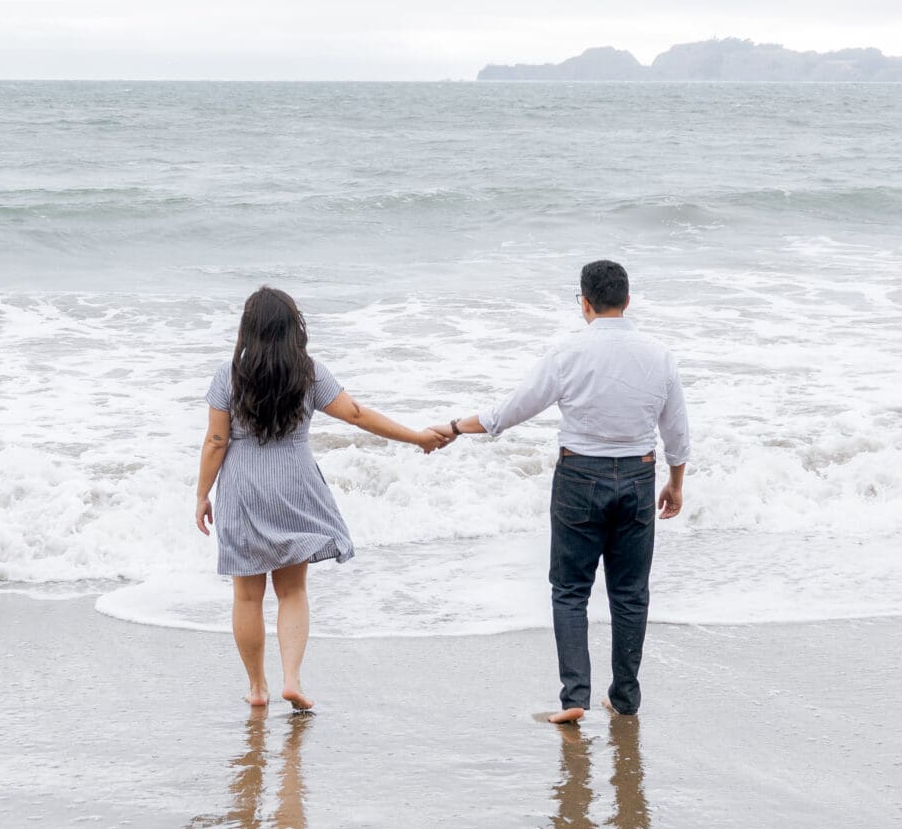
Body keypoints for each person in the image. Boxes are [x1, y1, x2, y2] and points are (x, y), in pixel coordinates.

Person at [436, 258, 688, 725]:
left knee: (570, 589)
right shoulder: (659, 355)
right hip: (637, 477)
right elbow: (677, 431)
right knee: (630, 593)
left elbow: (511, 410)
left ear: (585, 304)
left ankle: (575, 697)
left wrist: (454, 426)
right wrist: (675, 483)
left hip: (579, 479)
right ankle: (626, 698)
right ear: (628, 301)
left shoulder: (567, 354)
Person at [197, 285, 447, 711]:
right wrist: (416, 437)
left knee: (247, 596)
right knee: (292, 592)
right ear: (293, 327)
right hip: (294, 485)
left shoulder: (229, 375)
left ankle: (258, 688)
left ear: (248, 329)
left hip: (242, 489)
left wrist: (202, 494)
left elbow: (217, 440)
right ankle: (292, 679)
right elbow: (356, 414)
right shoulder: (308, 372)